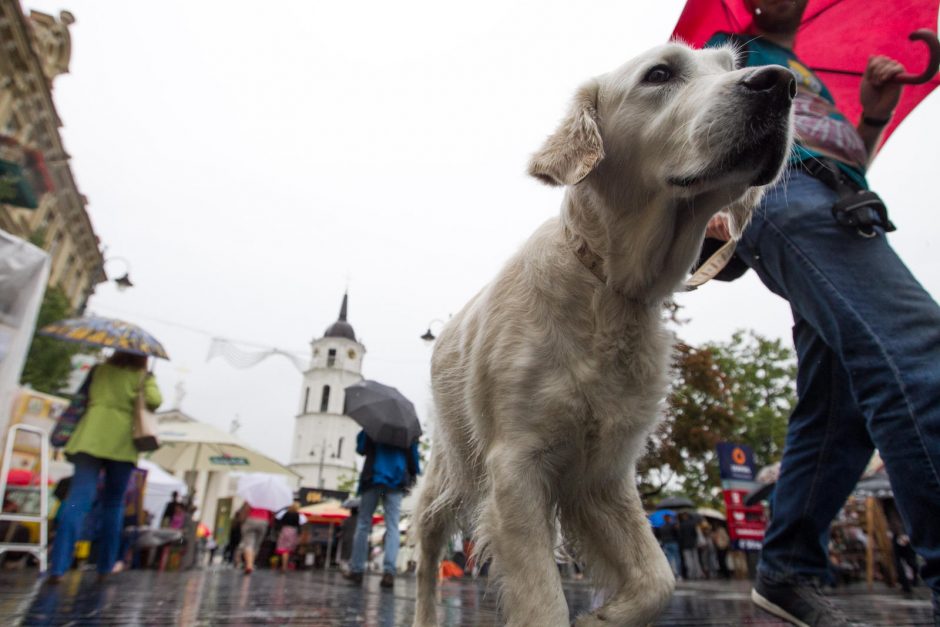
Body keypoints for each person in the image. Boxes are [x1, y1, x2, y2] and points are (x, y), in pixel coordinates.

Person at [704, 1, 940, 624]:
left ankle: (786, 571)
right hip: (785, 200)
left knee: (841, 408)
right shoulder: (729, 52)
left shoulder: (811, 73)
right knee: (916, 353)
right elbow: (690, 134)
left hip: (844, 203)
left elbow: (851, 158)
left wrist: (873, 110)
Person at [47, 351, 162, 583]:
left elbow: (82, 398)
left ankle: (58, 565)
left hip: (88, 436)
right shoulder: (142, 376)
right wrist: (147, 379)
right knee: (114, 503)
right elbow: (155, 401)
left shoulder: (99, 370)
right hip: (121, 443)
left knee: (77, 499)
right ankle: (105, 566)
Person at [343, 430, 420, 589]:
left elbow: (361, 448)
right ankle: (389, 572)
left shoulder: (375, 422)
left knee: (364, 523)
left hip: (373, 476)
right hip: (395, 480)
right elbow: (413, 459)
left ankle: (357, 570)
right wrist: (412, 474)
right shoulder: (406, 426)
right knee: (392, 526)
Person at [236, 502, 272, 574]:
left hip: (251, 519)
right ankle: (251, 563)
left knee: (248, 543)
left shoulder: (251, 497)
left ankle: (249, 565)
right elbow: (271, 514)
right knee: (256, 544)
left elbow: (245, 509)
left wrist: (242, 520)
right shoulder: (268, 500)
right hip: (263, 521)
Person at [275, 502, 303, 572]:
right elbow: (299, 525)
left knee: (284, 549)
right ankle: (285, 565)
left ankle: (283, 565)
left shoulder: (285, 514)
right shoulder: (298, 515)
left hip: (284, 530)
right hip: (293, 532)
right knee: (287, 550)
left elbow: (279, 522)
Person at [678, 512, 702, 580]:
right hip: (693, 543)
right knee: (696, 559)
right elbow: (695, 534)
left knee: (688, 560)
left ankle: (691, 574)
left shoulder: (681, 525)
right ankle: (698, 574)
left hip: (685, 545)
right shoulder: (693, 523)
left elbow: (680, 536)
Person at [658, 514, 682, 579]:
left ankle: (673, 573)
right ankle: (678, 574)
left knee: (670, 559)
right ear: (669, 518)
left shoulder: (661, 526)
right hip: (673, 542)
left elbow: (660, 535)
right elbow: (677, 534)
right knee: (677, 559)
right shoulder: (673, 525)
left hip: (666, 543)